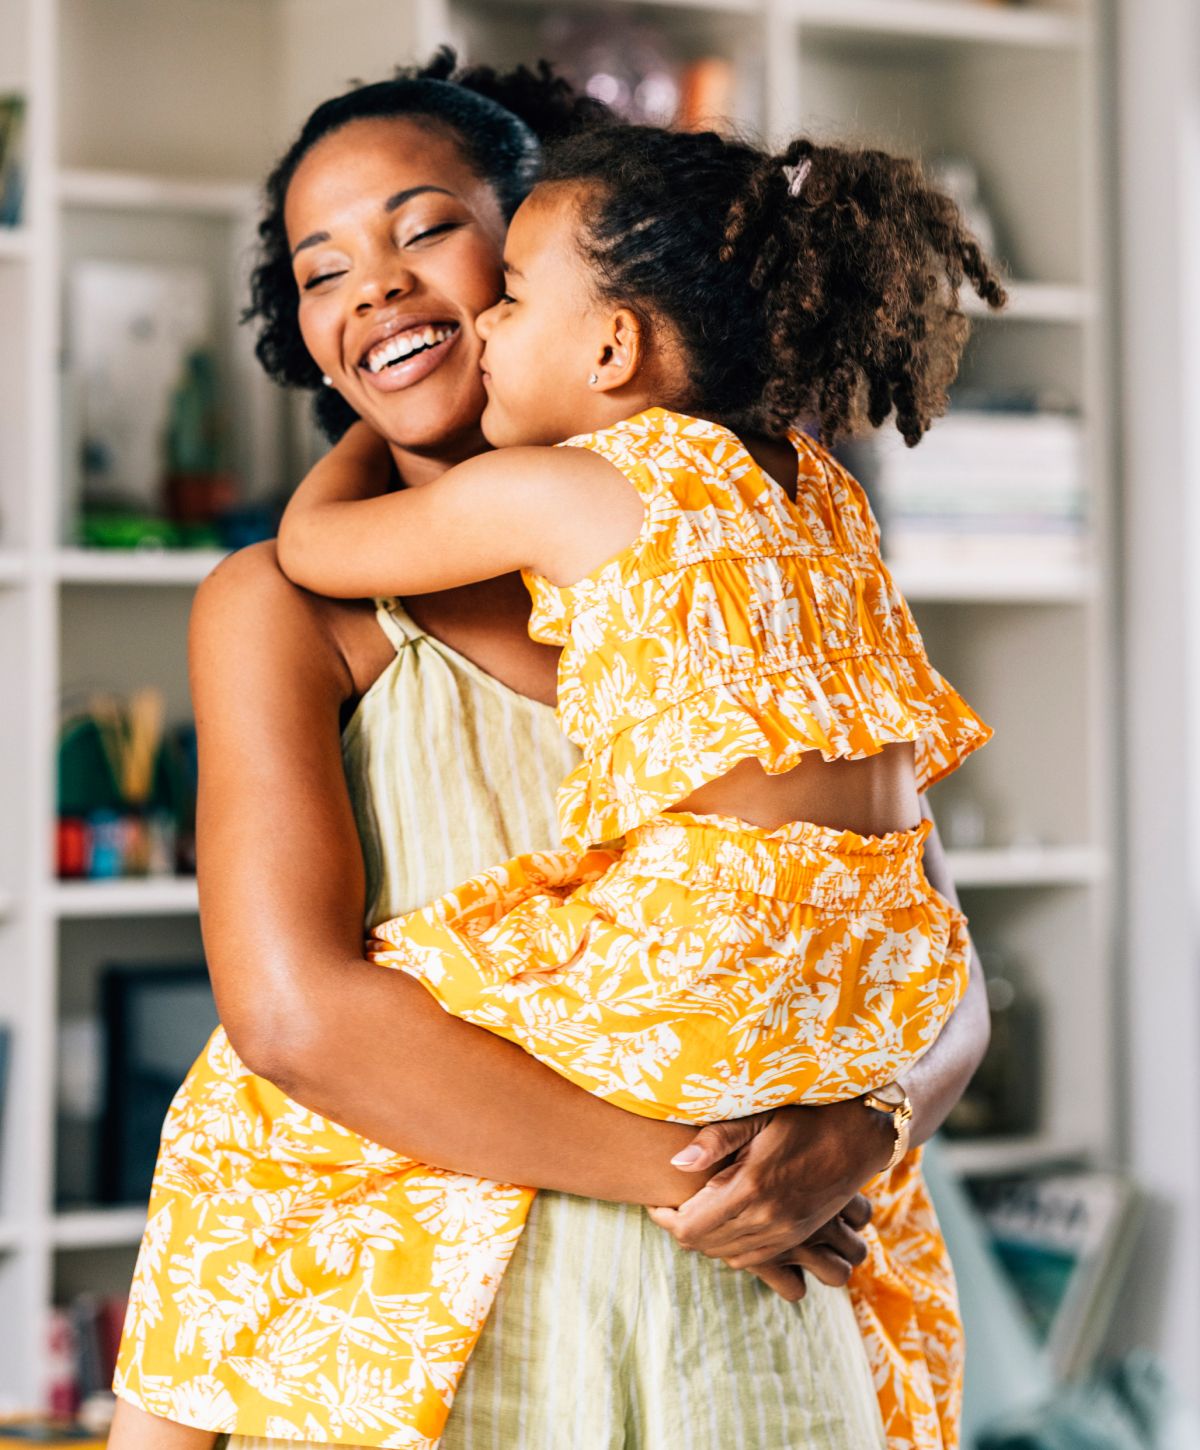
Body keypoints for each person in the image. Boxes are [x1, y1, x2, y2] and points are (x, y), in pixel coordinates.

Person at [110, 55, 992, 1450]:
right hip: (449, 1358)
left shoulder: (717, 574)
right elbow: (296, 1019)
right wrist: (711, 1180)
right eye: (319, 269)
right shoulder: (288, 607)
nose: (374, 290)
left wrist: (873, 1129)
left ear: (547, 250)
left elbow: (928, 952)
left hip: (748, 1354)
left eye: (425, 230)